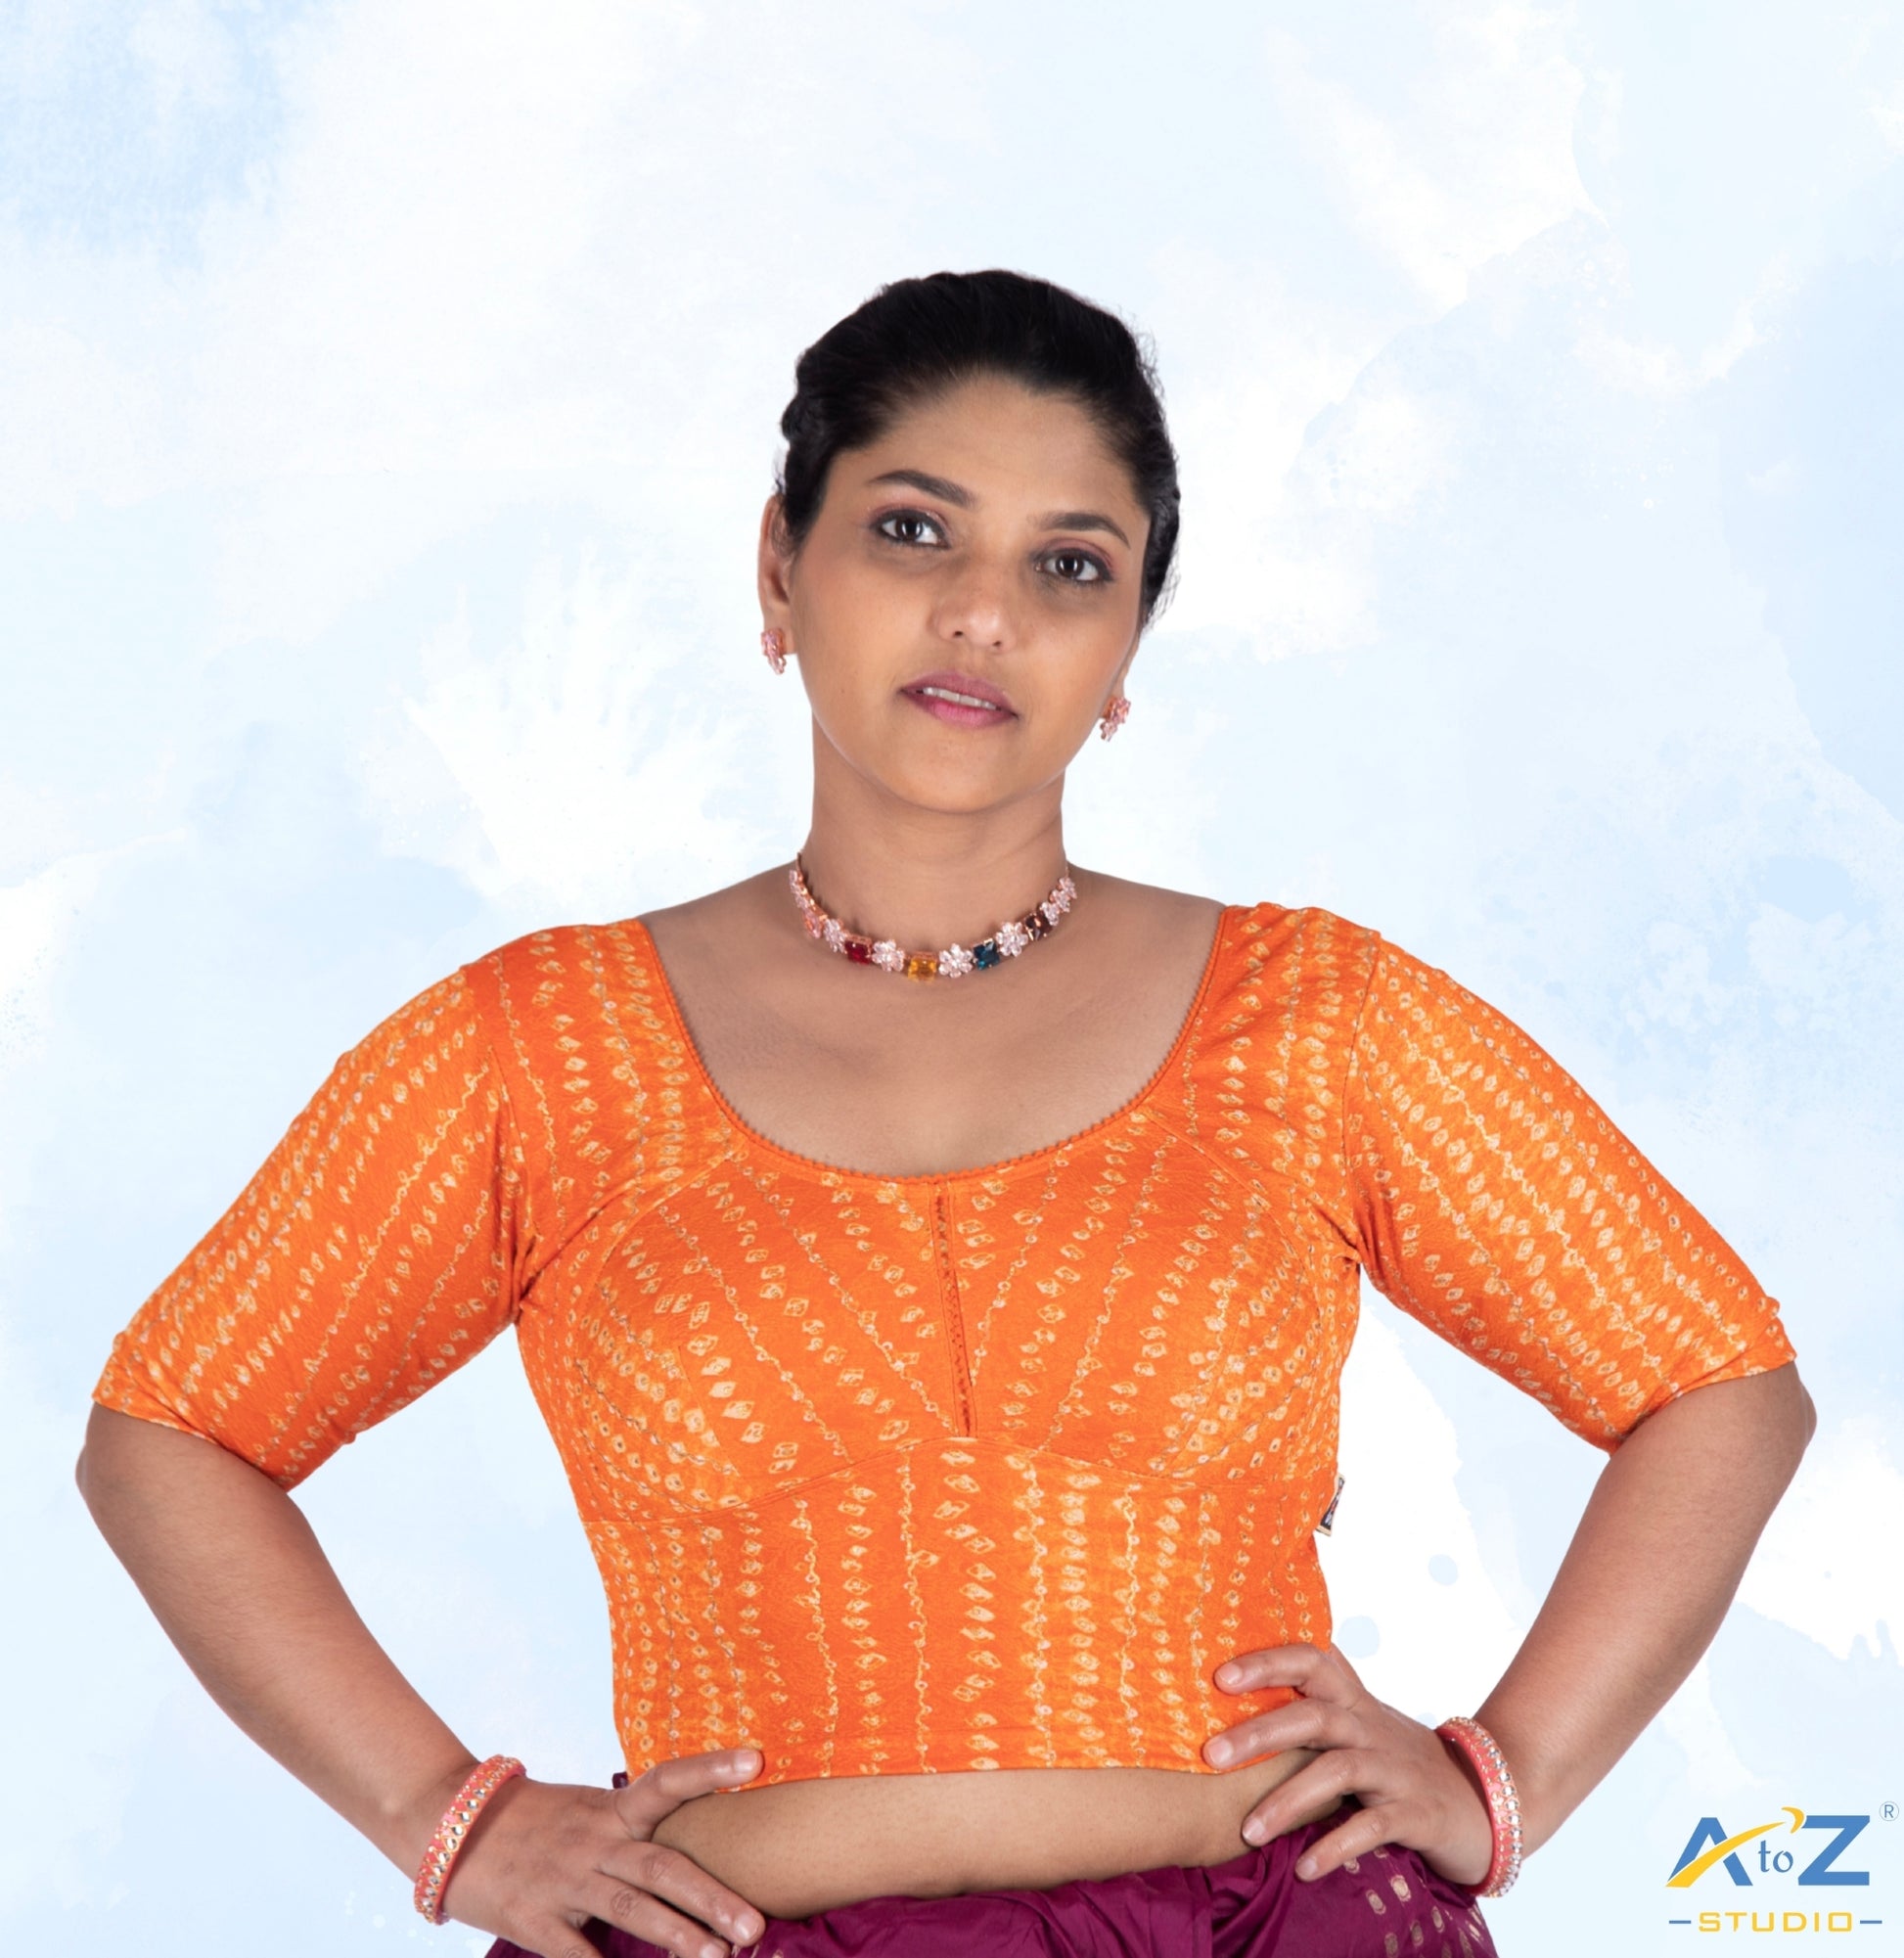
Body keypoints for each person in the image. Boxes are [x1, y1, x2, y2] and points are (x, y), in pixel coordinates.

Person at [77, 269, 1812, 1958]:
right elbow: (173, 1433)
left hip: (1270, 1926)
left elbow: (1714, 1384)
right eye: (914, 530)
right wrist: (445, 1818)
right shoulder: (540, 1050)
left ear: (1125, 651)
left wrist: (1502, 1778)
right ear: (779, 566)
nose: (986, 612)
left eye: (1071, 563)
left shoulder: (1312, 1019)